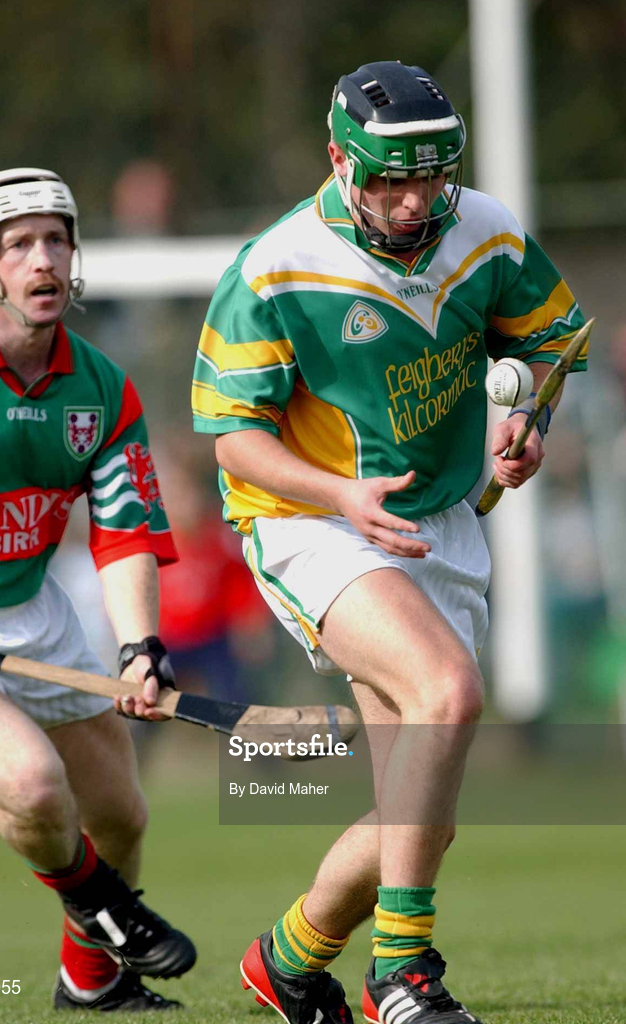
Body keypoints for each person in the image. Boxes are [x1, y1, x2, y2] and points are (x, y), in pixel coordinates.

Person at [192, 61, 587, 1024]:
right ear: (339, 160)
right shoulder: (275, 266)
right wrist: (336, 491)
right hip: (310, 520)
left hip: (437, 524)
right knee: (447, 691)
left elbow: (551, 337)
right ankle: (402, 974)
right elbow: (232, 431)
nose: (414, 203)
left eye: (431, 180)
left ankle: (287, 962)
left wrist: (524, 418)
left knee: (419, 819)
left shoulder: (482, 227)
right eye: (389, 182)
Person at [0, 168, 195, 1012]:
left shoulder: (100, 386)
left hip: (38, 622)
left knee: (121, 815)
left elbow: (123, 532)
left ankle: (91, 982)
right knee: (34, 788)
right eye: (21, 245)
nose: (44, 261)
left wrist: (140, 648)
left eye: (57, 240)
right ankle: (104, 904)